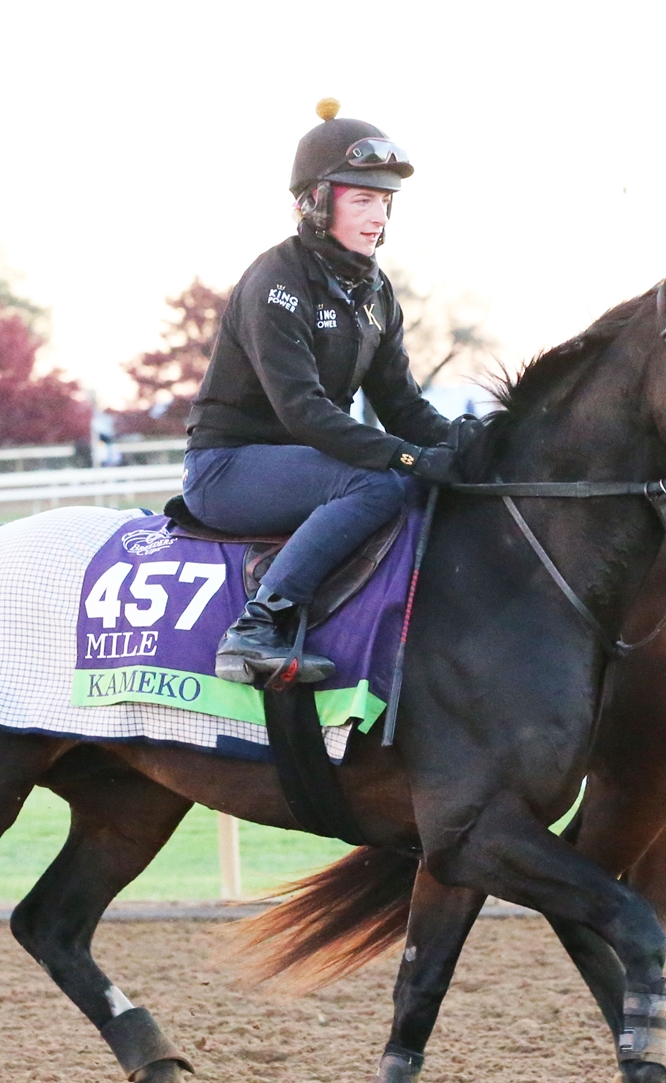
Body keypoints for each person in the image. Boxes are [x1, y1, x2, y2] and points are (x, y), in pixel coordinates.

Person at [183, 99, 480, 687]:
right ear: (313, 204)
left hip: (305, 461)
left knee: (418, 481)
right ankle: (255, 631)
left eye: (385, 202)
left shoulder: (376, 292)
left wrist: (471, 443)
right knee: (379, 481)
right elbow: (304, 413)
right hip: (226, 468)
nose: (378, 217)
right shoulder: (275, 281)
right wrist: (407, 457)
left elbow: (403, 406)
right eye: (362, 200)